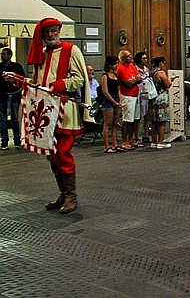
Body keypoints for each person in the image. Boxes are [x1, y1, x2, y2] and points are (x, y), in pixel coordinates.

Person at [23, 18, 93, 213]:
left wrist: (59, 85)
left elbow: (79, 79)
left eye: (54, 31)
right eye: (47, 32)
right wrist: (22, 81)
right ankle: (63, 194)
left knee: (63, 152)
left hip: (65, 110)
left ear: (59, 31)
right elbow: (38, 81)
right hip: (46, 110)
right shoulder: (42, 54)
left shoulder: (71, 50)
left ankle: (72, 196)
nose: (51, 35)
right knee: (52, 156)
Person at [0, 47, 25, 150]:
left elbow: (22, 79)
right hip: (1, 95)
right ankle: (4, 141)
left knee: (15, 119)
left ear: (10, 56)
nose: (2, 56)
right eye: (1, 54)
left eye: (4, 54)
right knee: (2, 120)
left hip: (14, 95)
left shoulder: (16, 67)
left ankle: (17, 140)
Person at [116, 50, 141, 150]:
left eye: (130, 55)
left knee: (135, 119)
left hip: (135, 95)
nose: (131, 57)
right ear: (122, 58)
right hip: (127, 96)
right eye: (128, 56)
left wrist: (134, 79)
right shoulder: (121, 69)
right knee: (127, 120)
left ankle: (131, 139)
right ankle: (125, 141)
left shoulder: (132, 66)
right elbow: (128, 84)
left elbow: (139, 78)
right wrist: (135, 79)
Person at [149, 56, 174, 149]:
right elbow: (167, 85)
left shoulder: (151, 72)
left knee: (154, 122)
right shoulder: (160, 72)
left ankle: (154, 141)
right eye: (164, 63)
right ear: (160, 63)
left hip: (153, 98)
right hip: (161, 98)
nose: (164, 65)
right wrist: (171, 79)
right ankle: (161, 141)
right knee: (162, 121)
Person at [100, 55, 122, 153]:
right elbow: (105, 91)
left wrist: (120, 100)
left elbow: (118, 90)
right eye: (115, 63)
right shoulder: (105, 76)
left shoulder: (116, 76)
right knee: (107, 124)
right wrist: (114, 101)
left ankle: (115, 144)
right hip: (108, 101)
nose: (117, 65)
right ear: (110, 65)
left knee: (115, 124)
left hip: (116, 100)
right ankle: (107, 146)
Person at [133, 51, 150, 147]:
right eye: (143, 58)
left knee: (146, 115)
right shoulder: (135, 69)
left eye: (146, 58)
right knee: (138, 116)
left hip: (146, 93)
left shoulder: (146, 69)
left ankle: (146, 134)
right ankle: (136, 136)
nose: (145, 60)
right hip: (138, 93)